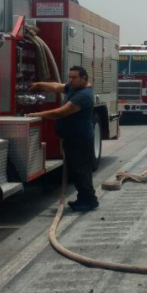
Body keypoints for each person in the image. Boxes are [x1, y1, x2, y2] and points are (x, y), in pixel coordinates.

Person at [27, 66, 99, 212]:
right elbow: (56, 86)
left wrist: (35, 115)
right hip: (73, 138)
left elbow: (61, 112)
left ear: (84, 78)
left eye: (74, 78)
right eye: (70, 77)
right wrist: (40, 85)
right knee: (77, 169)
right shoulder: (75, 88)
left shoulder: (83, 95)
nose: (70, 80)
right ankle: (83, 198)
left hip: (79, 140)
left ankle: (89, 200)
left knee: (80, 170)